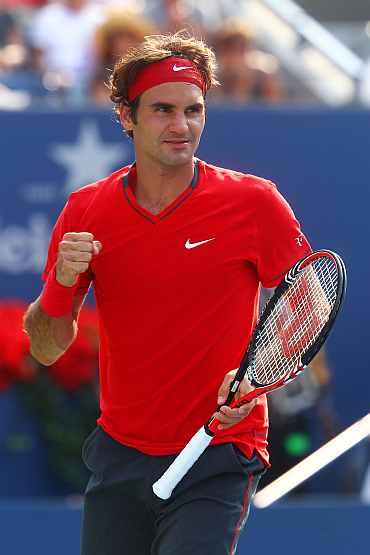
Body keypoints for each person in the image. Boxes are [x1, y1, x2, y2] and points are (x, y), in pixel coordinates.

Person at [24, 31, 311, 555]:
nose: (182, 126)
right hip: (121, 452)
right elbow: (46, 346)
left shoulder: (253, 202)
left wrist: (257, 374)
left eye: (193, 110)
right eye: (162, 109)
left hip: (220, 450)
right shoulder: (87, 210)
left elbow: (308, 304)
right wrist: (62, 284)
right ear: (126, 117)